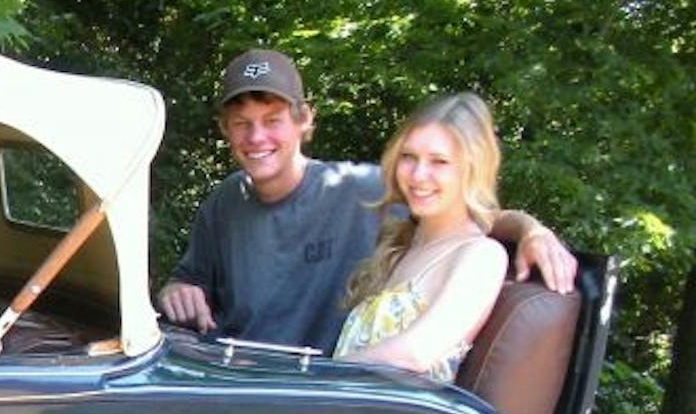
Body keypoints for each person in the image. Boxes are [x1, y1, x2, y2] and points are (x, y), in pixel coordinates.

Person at [156, 49, 574, 354]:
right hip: (229, 379)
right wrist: (178, 289)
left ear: (305, 120)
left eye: (272, 121)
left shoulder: (360, 191)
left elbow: (463, 216)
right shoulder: (225, 201)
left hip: (310, 400)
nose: (257, 138)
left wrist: (529, 230)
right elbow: (188, 279)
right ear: (225, 130)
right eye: (242, 124)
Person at [330, 93, 509, 381]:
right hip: (344, 411)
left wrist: (318, 377)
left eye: (439, 162)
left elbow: (415, 353)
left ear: (473, 168)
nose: (418, 175)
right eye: (408, 157)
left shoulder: (480, 257)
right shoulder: (405, 242)